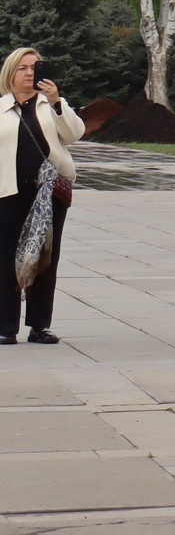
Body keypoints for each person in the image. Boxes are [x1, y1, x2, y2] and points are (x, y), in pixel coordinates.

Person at [0, 49, 81, 345]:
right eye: (22, 68)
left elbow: (75, 133)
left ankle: (39, 326)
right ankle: (6, 327)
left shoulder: (50, 105)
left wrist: (58, 102)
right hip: (8, 193)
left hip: (49, 196)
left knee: (45, 260)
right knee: (6, 259)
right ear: (10, 73)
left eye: (35, 68)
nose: (29, 73)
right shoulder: (1, 108)